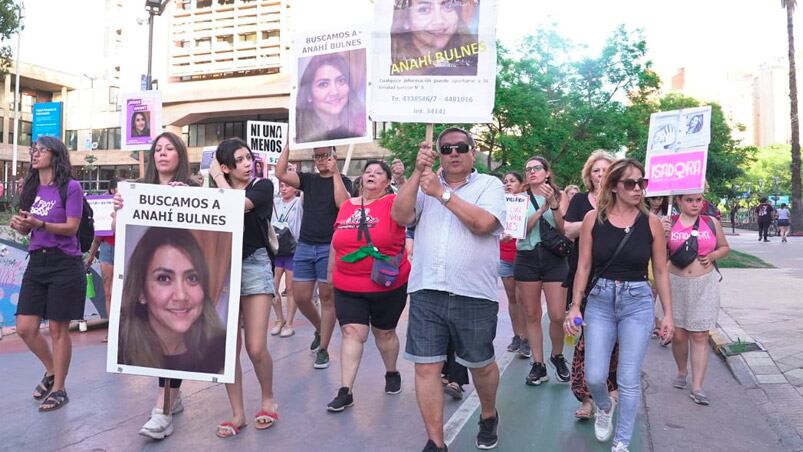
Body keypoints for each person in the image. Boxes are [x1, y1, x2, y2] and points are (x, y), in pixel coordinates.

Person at [392, 127, 506, 451]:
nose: (453, 153)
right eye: (446, 148)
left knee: (480, 364)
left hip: (473, 293)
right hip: (427, 289)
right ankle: (436, 442)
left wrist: (441, 194)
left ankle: (488, 414)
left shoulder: (489, 185)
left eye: (460, 147)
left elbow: (484, 224)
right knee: (427, 366)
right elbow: (400, 215)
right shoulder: (425, 183)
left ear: (473, 152)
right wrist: (417, 174)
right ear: (438, 154)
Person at [565, 158, 674, 452]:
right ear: (614, 186)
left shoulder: (651, 222)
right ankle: (603, 406)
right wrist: (575, 306)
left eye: (642, 182)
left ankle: (622, 442)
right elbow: (584, 266)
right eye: (630, 183)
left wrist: (667, 315)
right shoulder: (592, 219)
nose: (638, 189)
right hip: (599, 300)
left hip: (637, 302)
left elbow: (661, 270)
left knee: (627, 378)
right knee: (595, 376)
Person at [114, 131, 200, 440]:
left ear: (180, 155)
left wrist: (188, 198)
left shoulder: (194, 188)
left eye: (169, 149)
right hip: (150, 273)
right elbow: (119, 231)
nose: (162, 154)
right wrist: (120, 209)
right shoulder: (137, 189)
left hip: (180, 272)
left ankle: (161, 410)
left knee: (175, 337)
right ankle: (169, 399)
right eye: (158, 149)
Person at [325, 160, 411, 412]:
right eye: (368, 172)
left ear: (386, 183)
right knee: (352, 333)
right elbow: (336, 239)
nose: (372, 175)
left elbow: (410, 206)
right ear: (361, 179)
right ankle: (345, 390)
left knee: (384, 334)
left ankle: (392, 371)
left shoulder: (393, 203)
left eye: (378, 173)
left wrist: (403, 177)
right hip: (347, 284)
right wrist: (330, 273)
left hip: (386, 284)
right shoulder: (347, 206)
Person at [208, 138, 278, 438]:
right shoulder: (211, 191)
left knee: (256, 346)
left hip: (254, 264)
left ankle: (267, 399)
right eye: (240, 160)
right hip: (222, 270)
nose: (248, 163)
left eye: (249, 157)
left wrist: (218, 179)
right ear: (226, 166)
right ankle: (238, 413)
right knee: (228, 351)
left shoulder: (261, 187)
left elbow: (236, 206)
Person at [11, 136, 87, 412]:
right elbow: (29, 229)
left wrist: (40, 222)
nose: (36, 153)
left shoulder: (71, 188)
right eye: (34, 149)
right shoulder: (32, 188)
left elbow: (71, 227)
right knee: (24, 328)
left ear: (56, 155)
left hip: (65, 263)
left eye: (42, 150)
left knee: (58, 329)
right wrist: (21, 225)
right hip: (37, 261)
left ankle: (59, 389)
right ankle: (51, 370)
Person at [276, 144, 353, 369]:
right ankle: (320, 328)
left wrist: (335, 171)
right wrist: (290, 144)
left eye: (325, 156)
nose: (321, 160)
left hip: (330, 246)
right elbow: (280, 173)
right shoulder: (308, 180)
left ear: (334, 157)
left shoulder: (343, 180)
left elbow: (343, 204)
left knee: (328, 298)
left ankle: (324, 349)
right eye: (317, 156)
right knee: (300, 297)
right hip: (305, 245)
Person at [117, 227, 226, 373]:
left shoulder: (219, 354)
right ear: (141, 291)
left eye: (192, 278)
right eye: (164, 278)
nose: (181, 296)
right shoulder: (122, 353)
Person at [563, 150, 616, 420]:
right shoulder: (581, 201)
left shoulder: (622, 200)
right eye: (596, 170)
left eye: (606, 169)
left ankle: (608, 393)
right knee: (582, 341)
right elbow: (569, 230)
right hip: (583, 278)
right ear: (589, 174)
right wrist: (596, 217)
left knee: (610, 342)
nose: (600, 174)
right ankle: (585, 398)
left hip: (615, 280)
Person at [665, 193, 730, 406]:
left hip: (704, 284)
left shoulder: (711, 222)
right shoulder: (669, 222)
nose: (695, 204)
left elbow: (724, 247)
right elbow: (657, 253)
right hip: (676, 283)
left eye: (698, 200)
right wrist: (662, 234)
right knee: (680, 335)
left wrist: (713, 256)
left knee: (700, 334)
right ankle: (682, 370)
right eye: (690, 200)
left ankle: (698, 387)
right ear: (680, 202)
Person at [514, 156, 570, 386]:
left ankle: (557, 355)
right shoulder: (518, 198)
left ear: (547, 172)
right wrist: (540, 211)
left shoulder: (559, 195)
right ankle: (538, 364)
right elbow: (519, 230)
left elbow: (562, 227)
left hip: (554, 257)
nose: (532, 172)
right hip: (527, 256)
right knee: (532, 314)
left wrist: (553, 206)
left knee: (557, 314)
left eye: (537, 168)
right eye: (528, 169)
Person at [390, 0, 480, 76]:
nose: (439, 21)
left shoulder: (473, 60)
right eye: (424, 9)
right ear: (405, 20)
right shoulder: (389, 64)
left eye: (448, 6)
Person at [295, 52, 366, 144]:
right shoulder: (298, 133)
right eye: (323, 84)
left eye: (341, 81)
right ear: (308, 94)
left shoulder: (359, 128)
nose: (334, 92)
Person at [86, 178, 119, 342]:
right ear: (112, 190)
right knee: (108, 292)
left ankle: (123, 330)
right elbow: (98, 235)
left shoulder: (127, 204)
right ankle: (112, 330)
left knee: (123, 291)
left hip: (122, 247)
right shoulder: (104, 206)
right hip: (106, 248)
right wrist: (91, 255)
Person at [500, 172, 528, 358]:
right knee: (512, 298)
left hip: (523, 254)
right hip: (505, 254)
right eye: (506, 182)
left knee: (524, 298)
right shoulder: (500, 203)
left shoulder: (526, 202)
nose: (508, 184)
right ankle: (517, 335)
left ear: (521, 184)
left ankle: (527, 338)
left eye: (512, 181)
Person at [271, 179, 303, 337]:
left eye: (287, 185)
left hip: (292, 250)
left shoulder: (299, 202)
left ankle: (289, 323)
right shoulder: (274, 202)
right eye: (281, 185)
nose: (283, 189)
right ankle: (279, 319)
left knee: (291, 289)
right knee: (272, 287)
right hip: (276, 250)